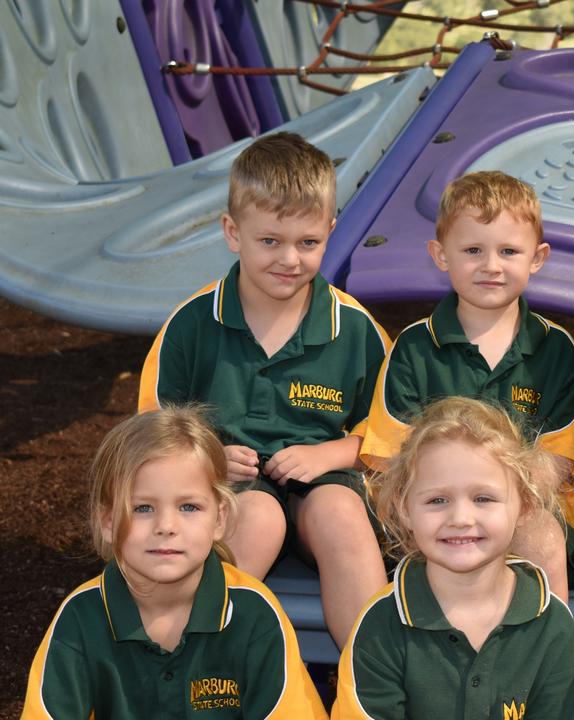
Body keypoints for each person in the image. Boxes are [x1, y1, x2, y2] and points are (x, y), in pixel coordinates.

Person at [138, 131, 391, 647]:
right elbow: (150, 438)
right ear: (233, 232)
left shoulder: (356, 328)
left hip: (325, 483)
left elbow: (394, 433)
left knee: (340, 514)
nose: (290, 259)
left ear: (331, 233)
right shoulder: (191, 324)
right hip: (228, 490)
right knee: (258, 516)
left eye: (309, 242)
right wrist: (206, 459)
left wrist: (327, 455)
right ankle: (199, 661)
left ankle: (372, 678)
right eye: (270, 241)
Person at [361, 170, 574, 599]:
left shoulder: (555, 348)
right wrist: (458, 506)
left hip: (526, 508)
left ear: (537, 257)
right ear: (440, 255)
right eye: (473, 250)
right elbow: (391, 460)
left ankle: (548, 658)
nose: (491, 266)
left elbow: (556, 462)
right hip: (436, 516)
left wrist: (493, 506)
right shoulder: (415, 347)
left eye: (509, 251)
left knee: (541, 534)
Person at [22, 407, 327, 719]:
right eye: (142, 508)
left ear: (219, 518)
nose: (166, 526)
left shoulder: (254, 612)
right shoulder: (81, 616)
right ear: (108, 522)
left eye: (189, 507)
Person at [335, 397, 574, 719]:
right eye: (438, 500)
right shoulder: (380, 624)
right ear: (404, 509)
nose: (461, 517)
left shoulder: (552, 623)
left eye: (483, 498)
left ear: (525, 506)